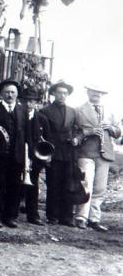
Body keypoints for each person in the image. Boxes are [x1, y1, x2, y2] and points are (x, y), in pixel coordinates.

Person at [73, 84, 121, 231]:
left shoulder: (110, 112)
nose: (97, 94)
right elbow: (75, 133)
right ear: (88, 92)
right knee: (85, 184)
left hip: (104, 154)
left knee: (100, 188)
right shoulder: (79, 110)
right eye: (94, 92)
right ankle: (81, 217)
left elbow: (118, 132)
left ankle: (94, 219)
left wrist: (110, 128)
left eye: (100, 92)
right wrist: (89, 132)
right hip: (87, 152)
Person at [0, 79, 27, 228]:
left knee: (14, 186)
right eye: (7, 92)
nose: (10, 95)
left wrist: (26, 157)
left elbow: (26, 134)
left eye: (13, 92)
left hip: (17, 156)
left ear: (17, 94)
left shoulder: (23, 110)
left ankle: (10, 216)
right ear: (1, 93)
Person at [38, 79, 77, 226]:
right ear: (54, 93)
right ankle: (52, 216)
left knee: (68, 184)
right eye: (60, 93)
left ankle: (66, 217)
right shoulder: (45, 111)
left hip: (68, 152)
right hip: (53, 152)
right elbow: (42, 135)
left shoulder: (72, 112)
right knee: (53, 184)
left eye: (65, 93)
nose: (62, 96)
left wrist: (76, 139)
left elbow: (76, 130)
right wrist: (46, 154)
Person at [22, 88, 47, 225]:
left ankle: (33, 215)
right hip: (20, 155)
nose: (28, 104)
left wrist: (42, 157)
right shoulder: (18, 114)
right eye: (26, 101)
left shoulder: (42, 118)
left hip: (34, 157)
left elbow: (47, 139)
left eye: (31, 101)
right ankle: (10, 214)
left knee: (33, 185)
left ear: (36, 103)